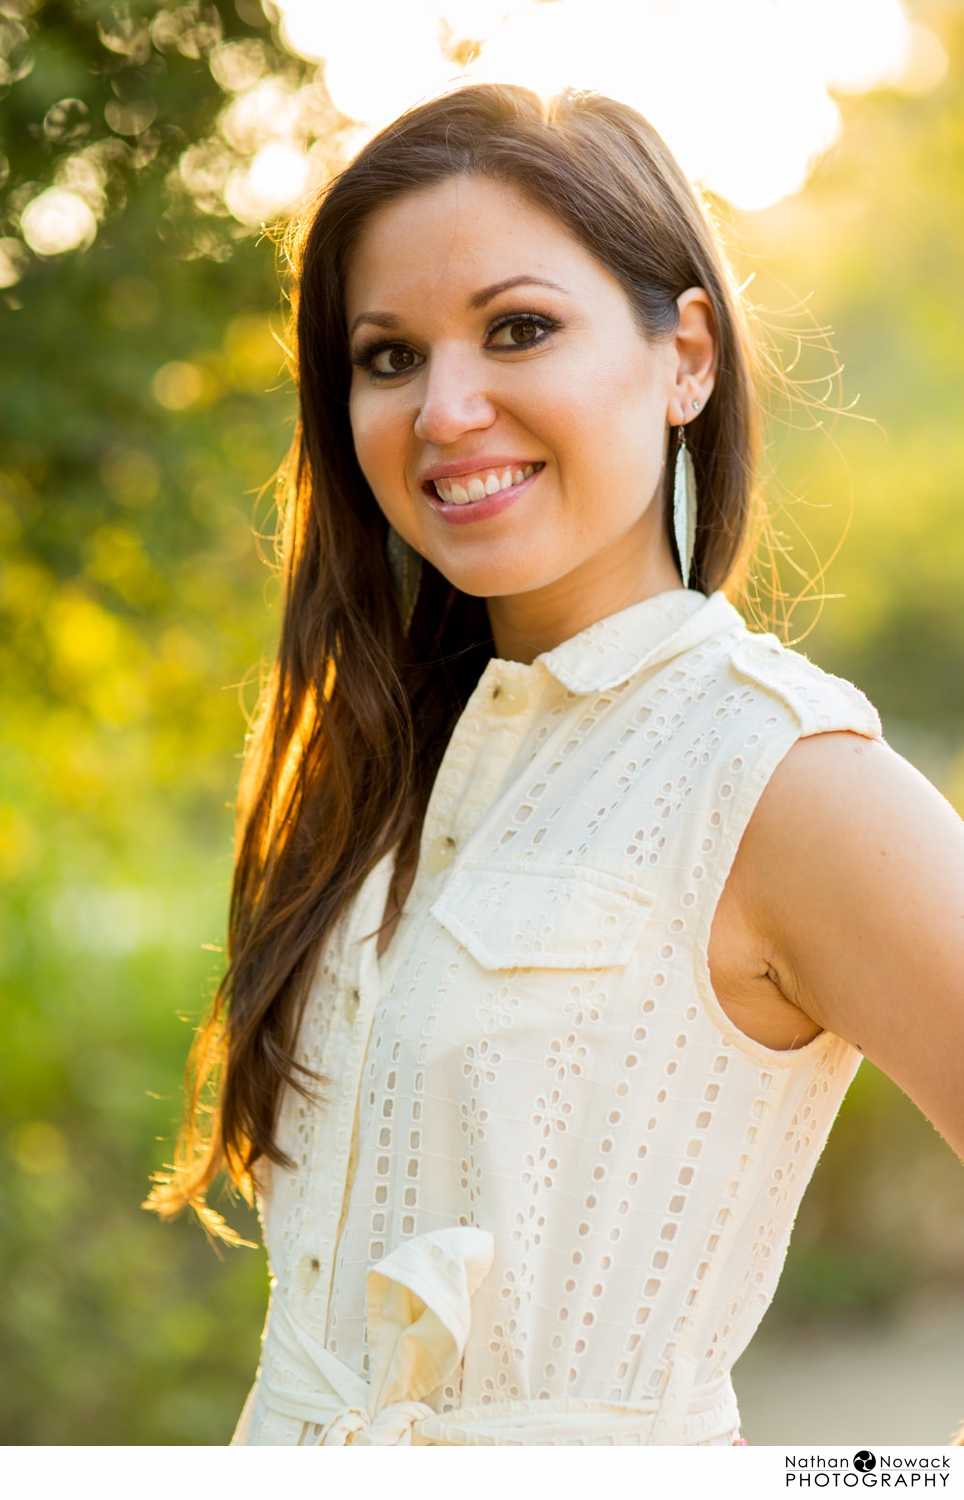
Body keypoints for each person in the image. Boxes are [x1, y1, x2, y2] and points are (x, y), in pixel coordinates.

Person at [147, 83, 964, 1446]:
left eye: (518, 329)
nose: (445, 408)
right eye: (388, 357)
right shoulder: (391, 758)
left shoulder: (784, 775)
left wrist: (862, 1481)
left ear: (684, 355)